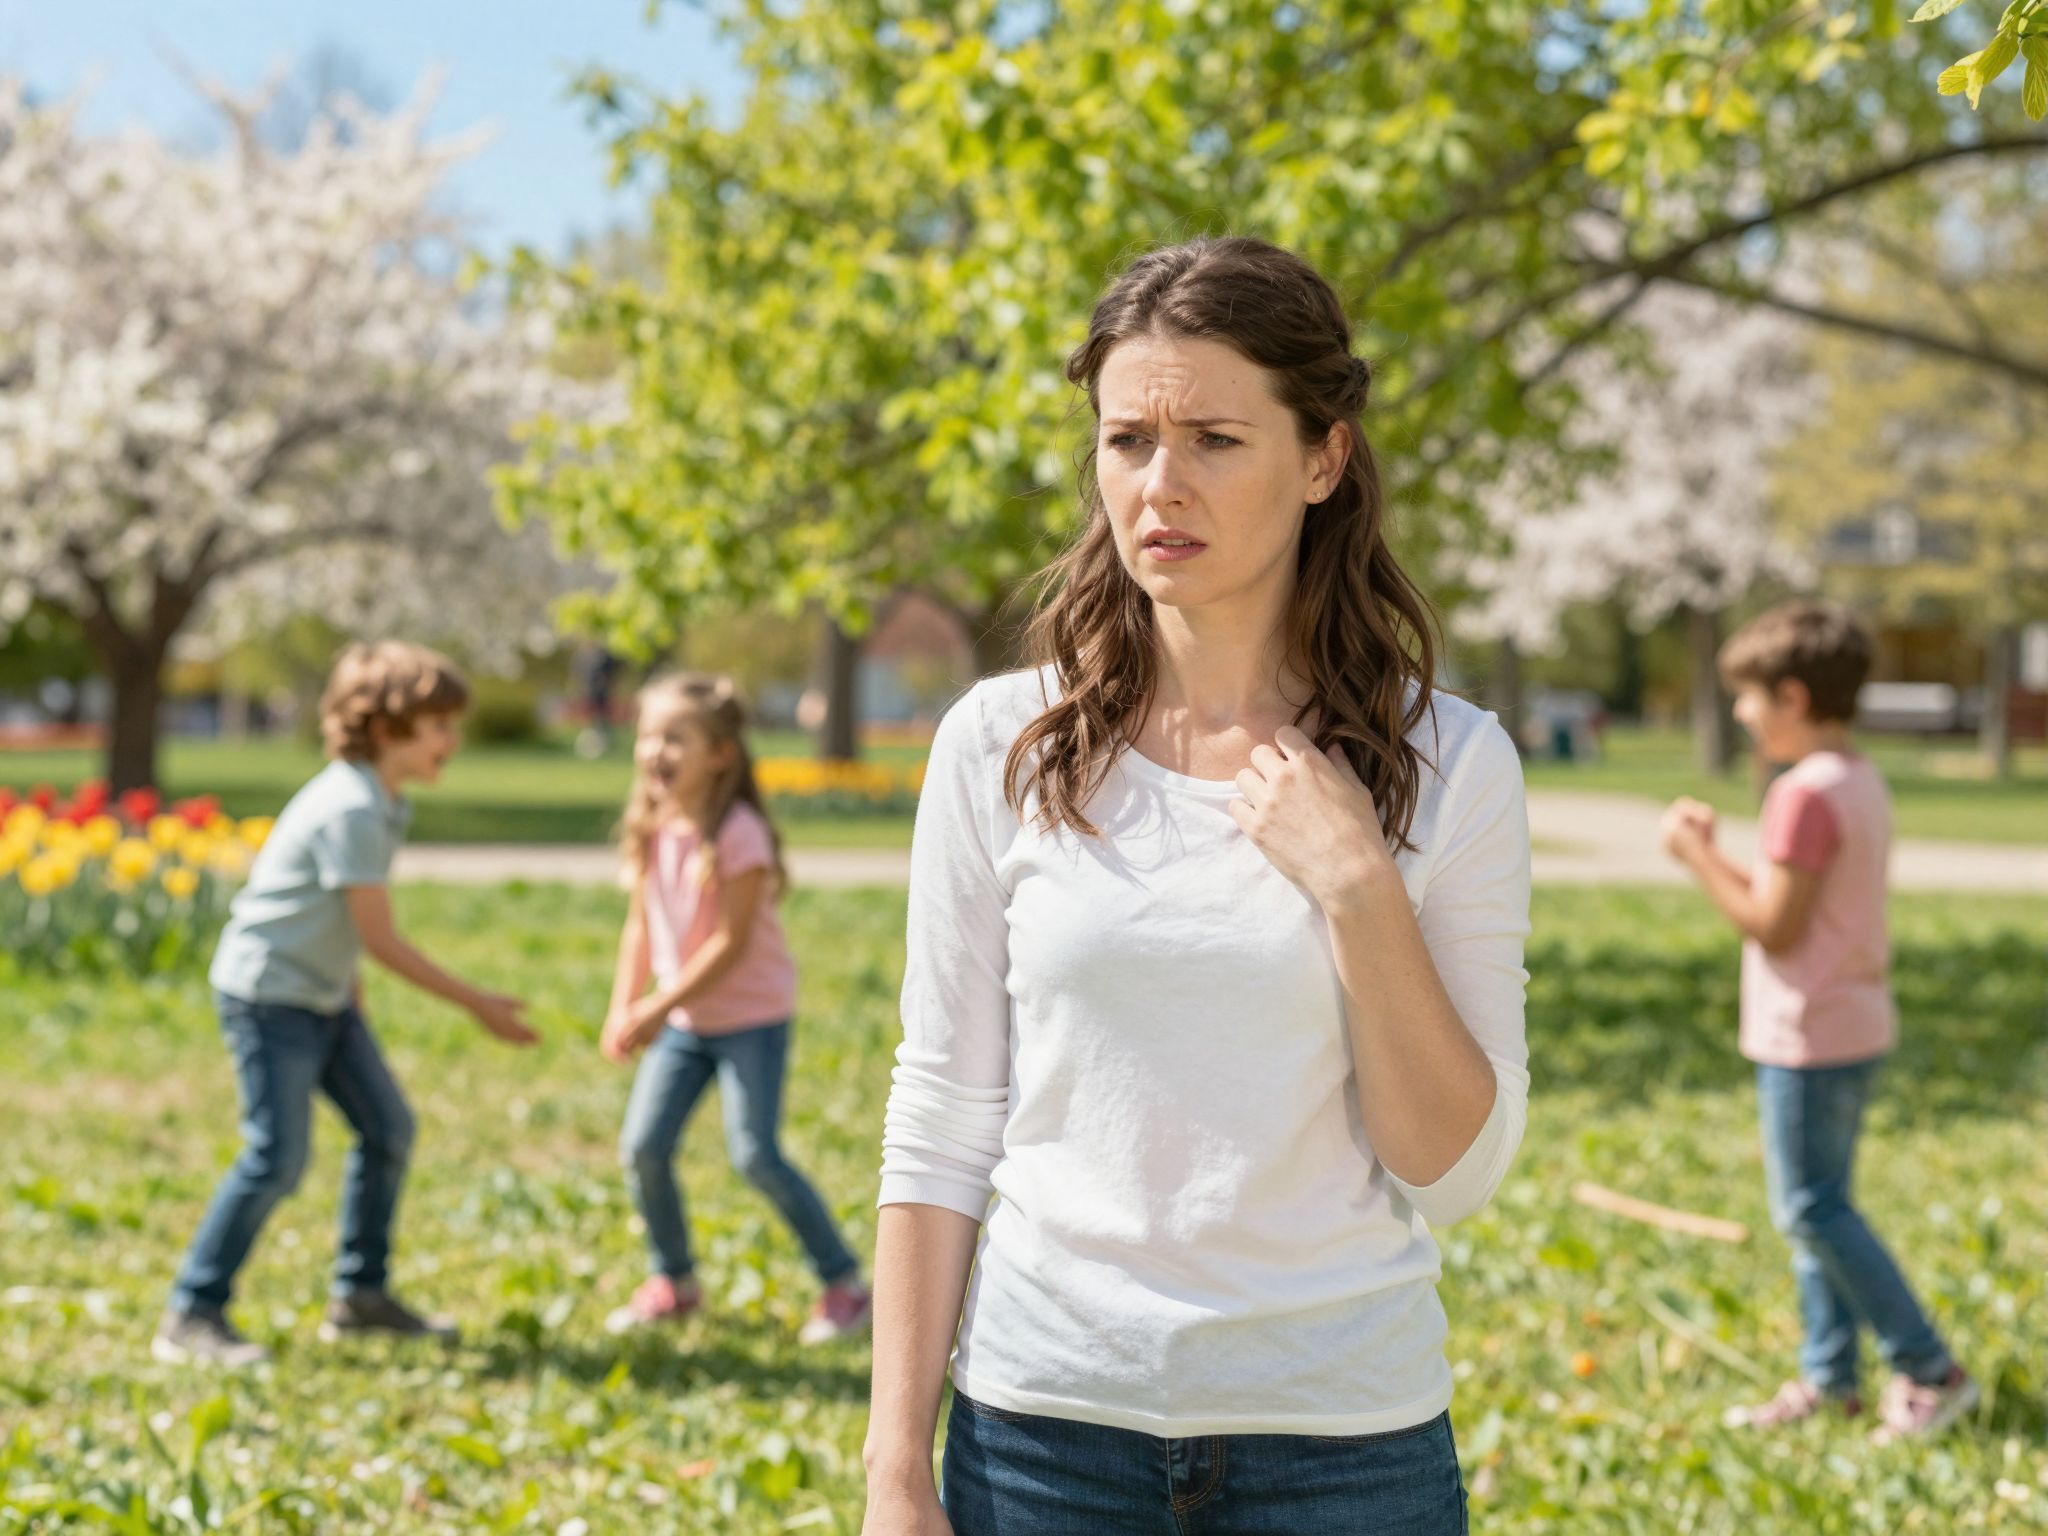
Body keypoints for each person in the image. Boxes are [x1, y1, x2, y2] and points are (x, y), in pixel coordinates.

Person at [862, 237, 1532, 1535]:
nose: (1160, 484)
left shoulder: (1455, 765)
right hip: (1043, 1435)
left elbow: (1452, 1170)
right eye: (1127, 440)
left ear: (1325, 457)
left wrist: (1357, 890)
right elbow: (943, 1112)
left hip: (1343, 1446)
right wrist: (896, 1467)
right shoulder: (999, 744)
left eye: (1216, 438)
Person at [156, 642, 537, 1367]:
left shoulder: (380, 798)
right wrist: (475, 1003)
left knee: (388, 1129)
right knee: (275, 1158)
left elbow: (339, 926)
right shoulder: (352, 807)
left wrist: (347, 997)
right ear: (390, 730)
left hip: (323, 999)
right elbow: (382, 939)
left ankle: (361, 1298)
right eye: (440, 727)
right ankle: (192, 1312)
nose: (452, 742)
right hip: (270, 997)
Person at [1660, 601, 1977, 1442]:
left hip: (1808, 1035)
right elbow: (1783, 904)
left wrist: (1696, 854)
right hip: (1852, 1021)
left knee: (1813, 1211)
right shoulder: (1857, 778)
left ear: (1792, 697)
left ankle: (1929, 1368)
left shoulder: (1800, 796)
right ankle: (1830, 1378)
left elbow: (1773, 926)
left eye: (1749, 698)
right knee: (1819, 1210)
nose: (1740, 714)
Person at [599, 673, 872, 1344]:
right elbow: (641, 924)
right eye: (647, 736)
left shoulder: (739, 833)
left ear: (721, 754)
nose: (655, 750)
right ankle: (675, 1280)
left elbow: (731, 942)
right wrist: (623, 1005)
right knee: (643, 1148)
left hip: (749, 1017)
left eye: (674, 737)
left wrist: (659, 1005)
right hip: (685, 1023)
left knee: (755, 1155)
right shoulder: (655, 824)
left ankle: (844, 1285)